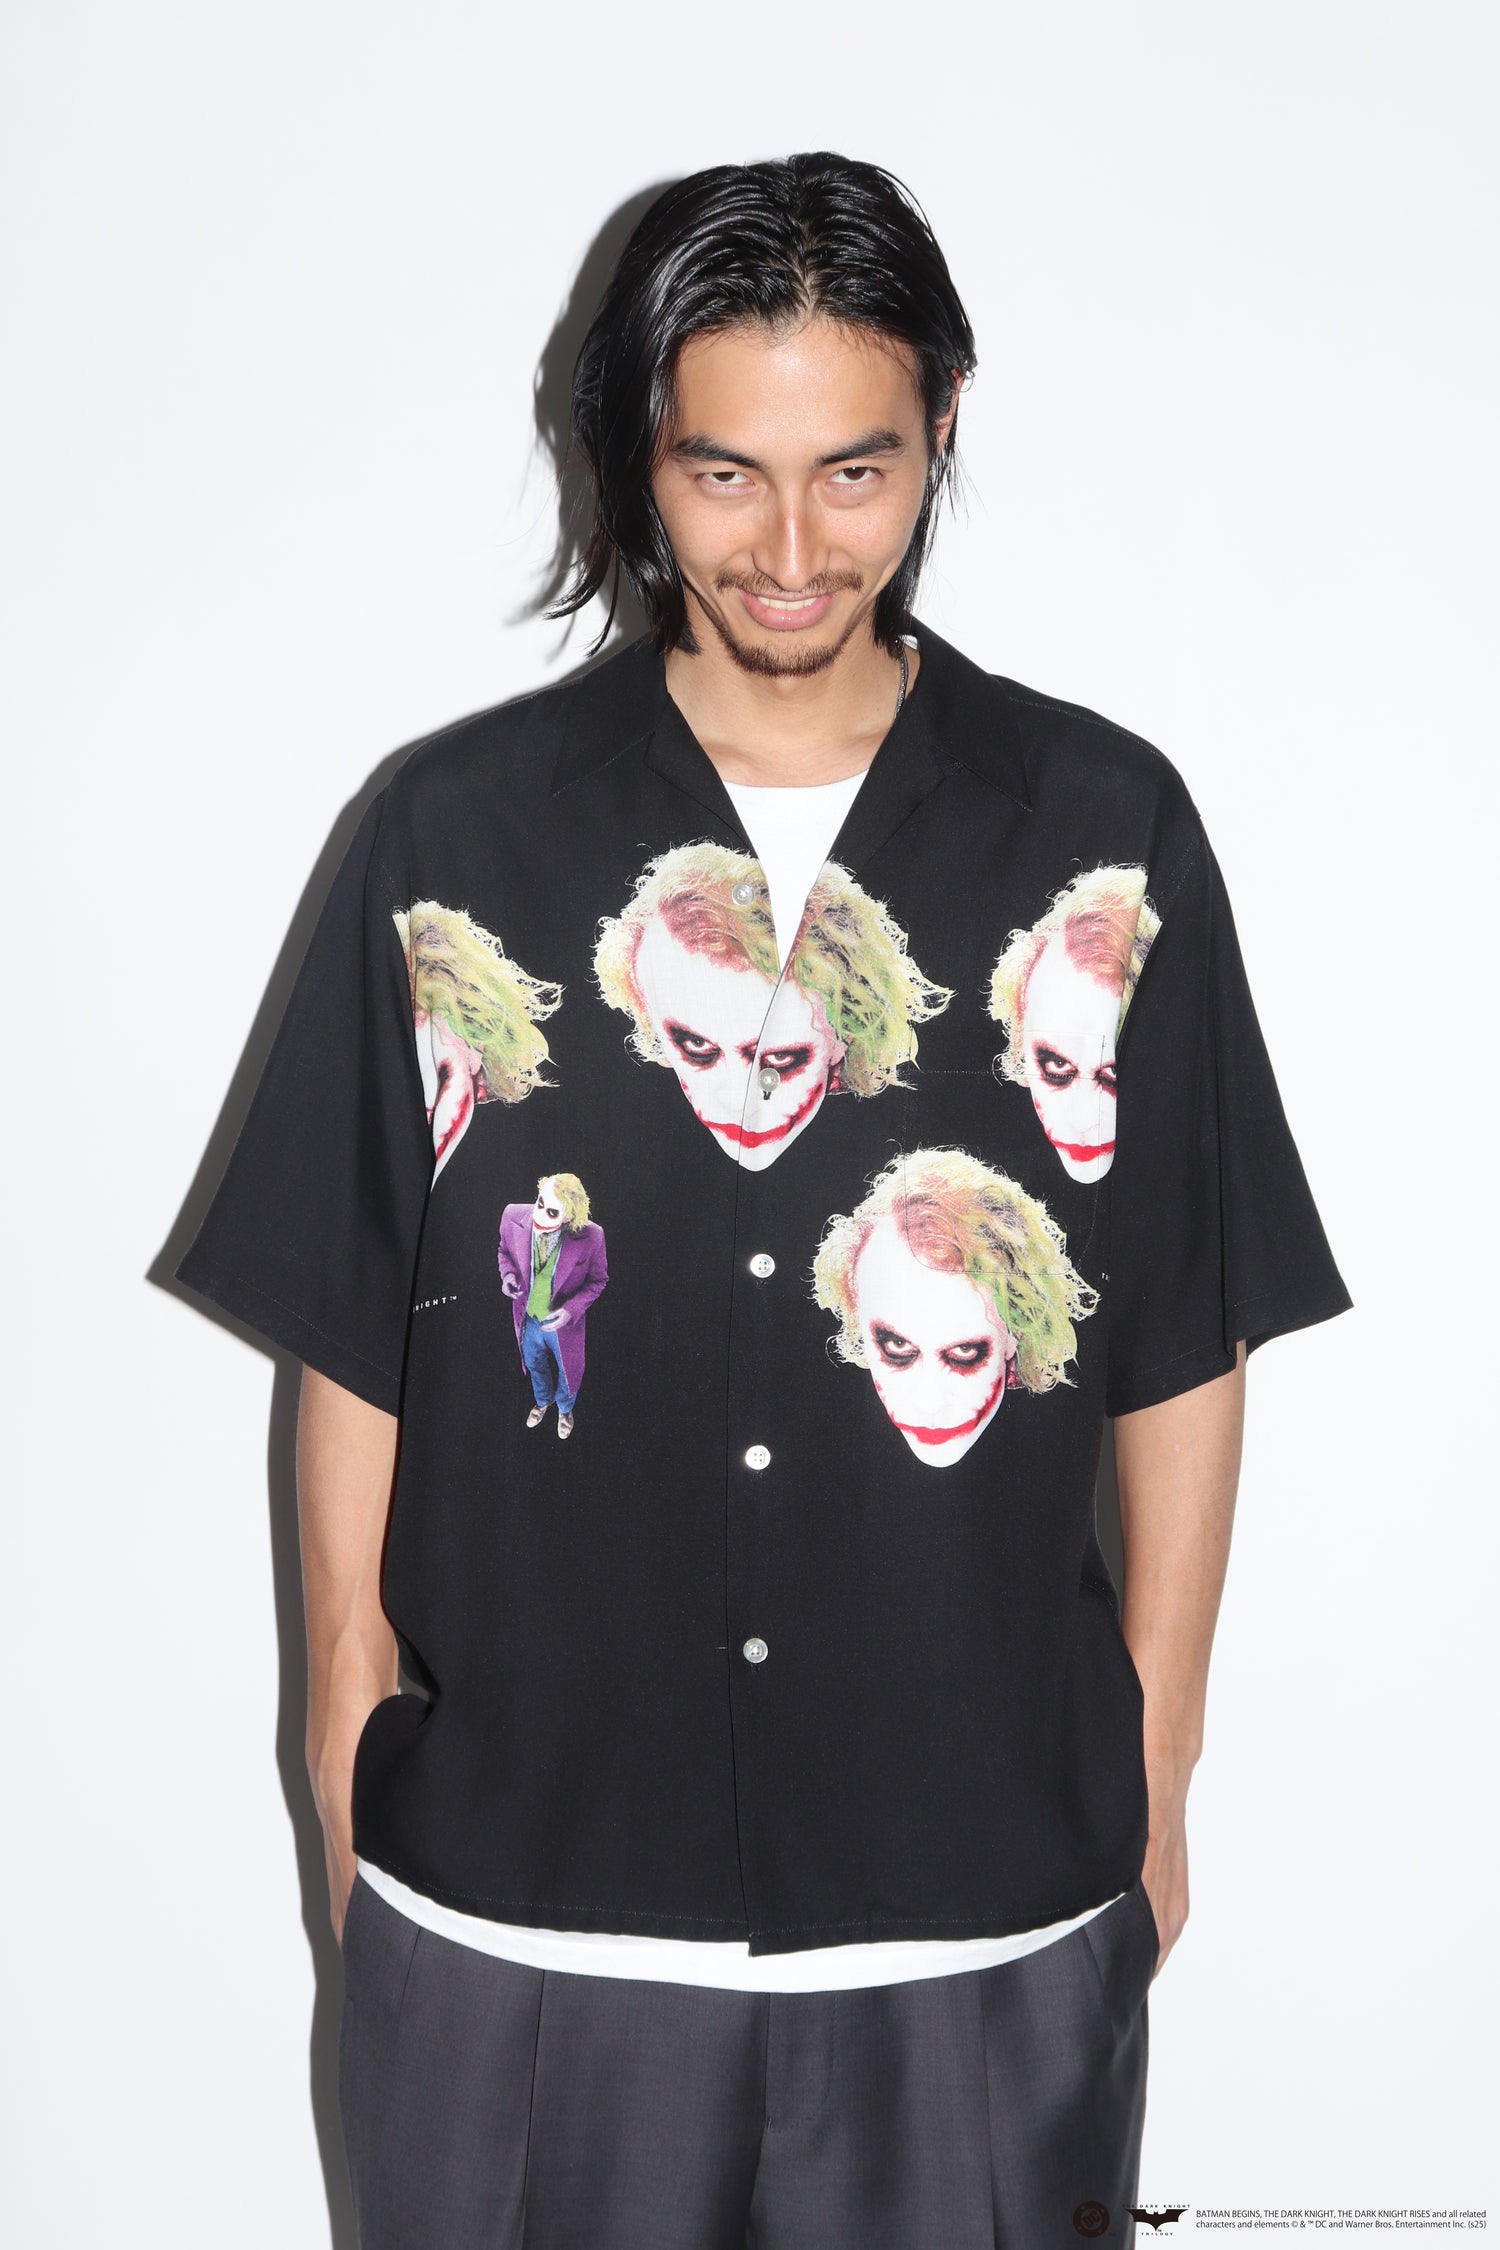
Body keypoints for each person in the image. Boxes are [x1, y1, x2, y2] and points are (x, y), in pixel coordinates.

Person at [175, 151, 1351, 2248]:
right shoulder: (452, 838)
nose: (793, 551)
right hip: (517, 1917)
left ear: (943, 427)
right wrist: (339, 1726)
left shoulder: (1106, 834)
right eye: (725, 475)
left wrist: (1158, 1757)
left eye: (854, 472)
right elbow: (357, 1318)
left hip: (982, 1910)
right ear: (638, 454)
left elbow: (1183, 1325)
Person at [496, 1171, 608, 1436]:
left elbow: (599, 1280)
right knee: (534, 1364)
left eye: (552, 1212)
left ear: (568, 1217)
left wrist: (571, 1310)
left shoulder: (593, 1236)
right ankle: (542, 1401)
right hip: (527, 1318)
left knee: (570, 1372)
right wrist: (508, 1276)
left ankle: (565, 1409)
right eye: (540, 1203)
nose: (540, 1214)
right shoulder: (512, 1215)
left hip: (564, 1326)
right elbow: (504, 1251)